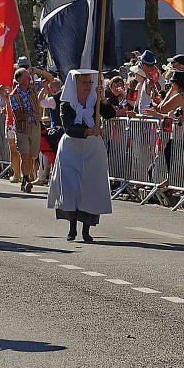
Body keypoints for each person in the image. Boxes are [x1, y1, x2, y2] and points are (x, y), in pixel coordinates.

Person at [46, 69, 114, 241]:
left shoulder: (94, 101)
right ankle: (72, 228)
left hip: (92, 150)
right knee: (72, 188)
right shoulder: (66, 104)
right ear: (74, 84)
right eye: (83, 82)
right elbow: (68, 128)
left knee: (90, 188)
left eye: (89, 82)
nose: (87, 86)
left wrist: (102, 99)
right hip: (71, 150)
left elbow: (110, 114)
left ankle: (86, 230)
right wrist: (88, 130)